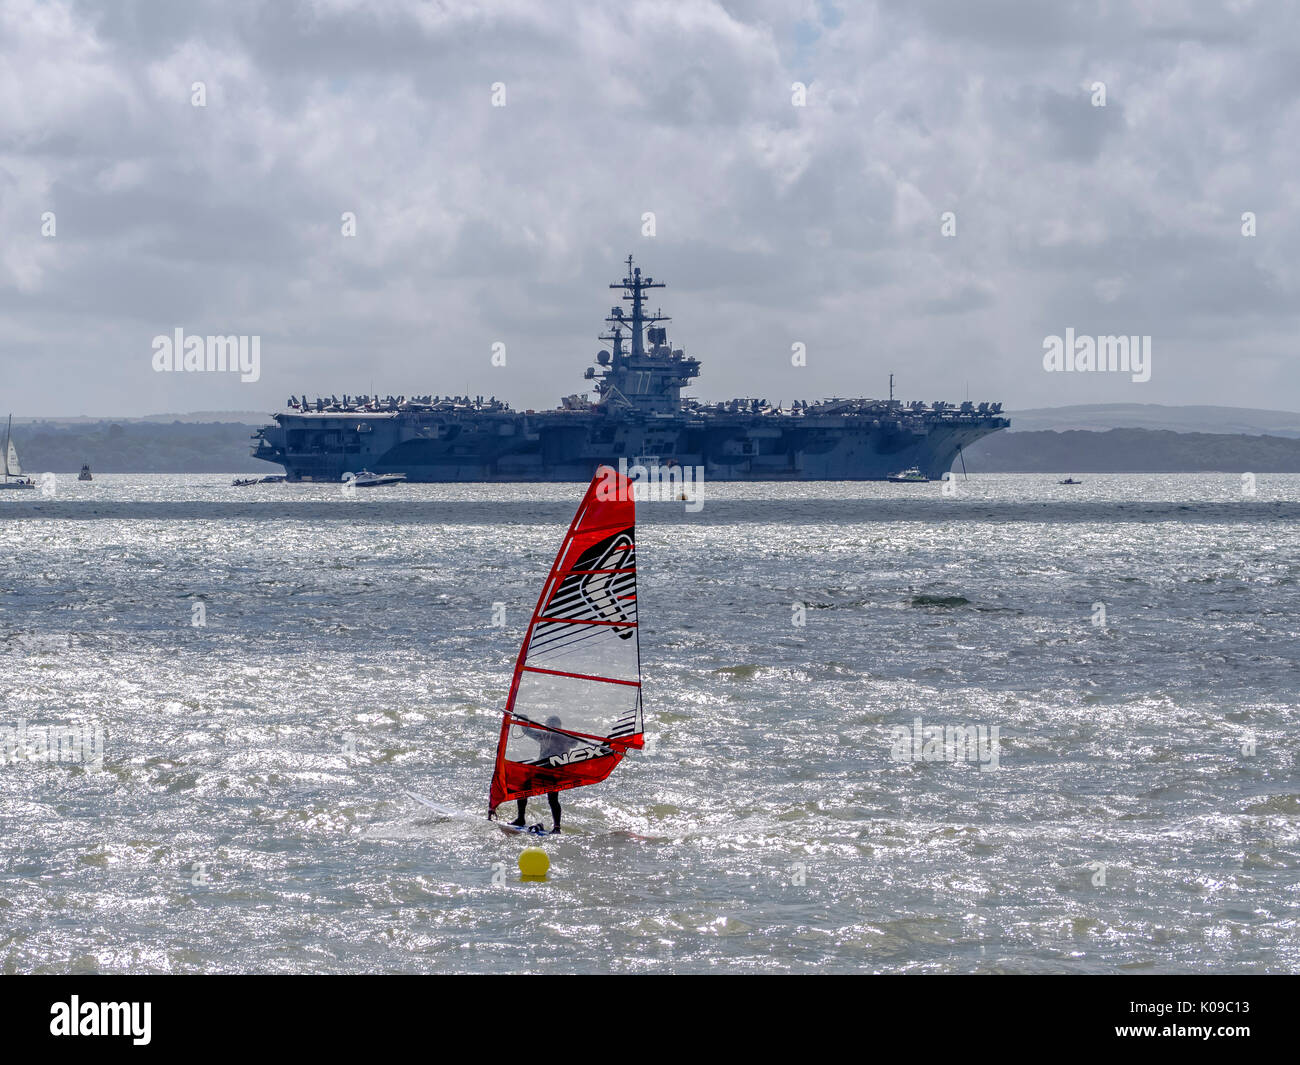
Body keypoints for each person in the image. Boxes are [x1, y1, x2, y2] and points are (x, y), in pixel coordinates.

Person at [511, 715, 576, 834]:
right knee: (549, 798)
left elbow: (575, 742)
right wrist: (523, 719)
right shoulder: (557, 736)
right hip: (548, 771)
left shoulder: (554, 736)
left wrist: (524, 720)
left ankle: (523, 819)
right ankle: (555, 827)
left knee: (547, 797)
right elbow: (575, 743)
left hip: (550, 771)